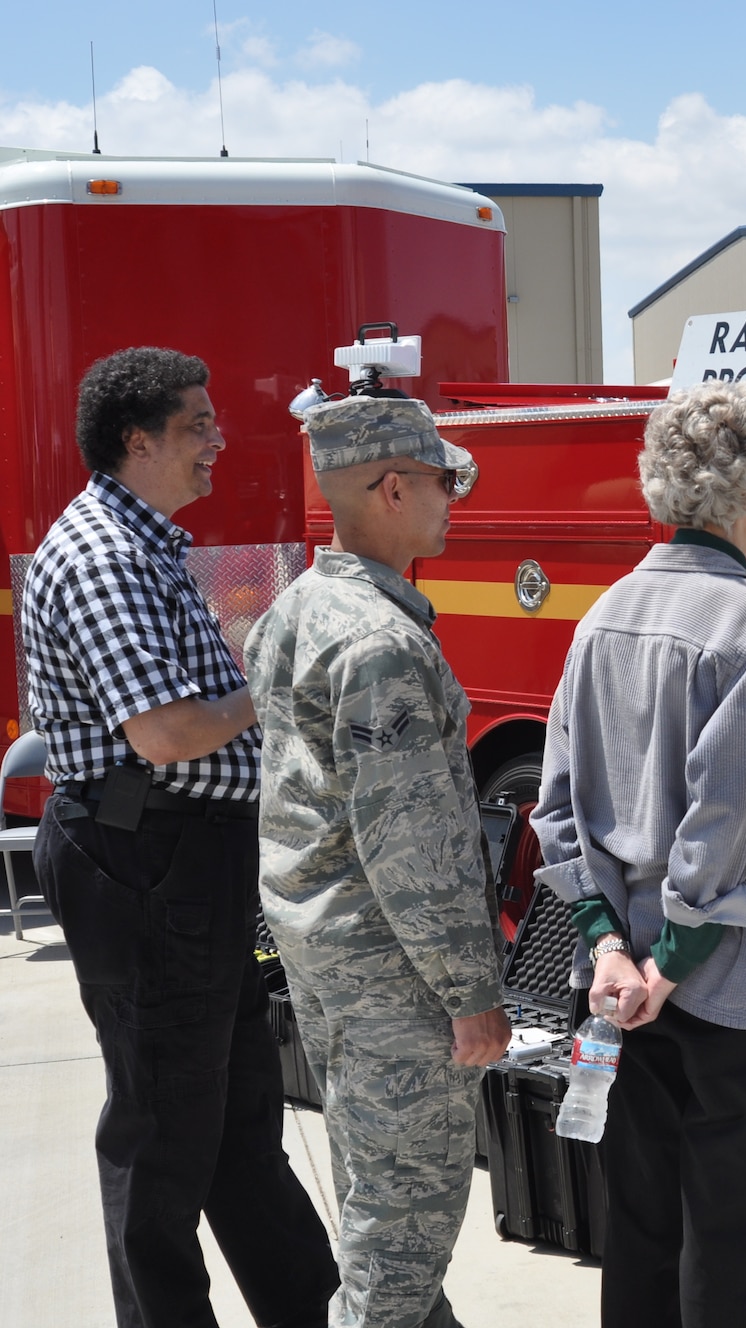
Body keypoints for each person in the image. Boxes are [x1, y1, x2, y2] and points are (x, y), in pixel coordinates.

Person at [532, 378, 746, 1328]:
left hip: (622, 990)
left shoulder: (600, 618)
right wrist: (669, 964)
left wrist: (608, 947)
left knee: (642, 1232)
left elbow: (557, 809)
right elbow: (723, 828)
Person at [19, 347, 338, 1327]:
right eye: (196, 424)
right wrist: (281, 680)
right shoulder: (108, 556)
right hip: (149, 860)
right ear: (137, 439)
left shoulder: (142, 543)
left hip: (182, 858)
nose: (215, 441)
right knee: (162, 1128)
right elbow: (163, 730)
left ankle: (312, 1308)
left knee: (234, 1118)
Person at [247, 394, 511, 1328]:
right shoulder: (381, 640)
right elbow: (410, 842)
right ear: (393, 488)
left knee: (378, 1201)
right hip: (394, 978)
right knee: (403, 1228)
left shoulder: (298, 610)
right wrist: (470, 991)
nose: (452, 503)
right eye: (443, 483)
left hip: (329, 959)